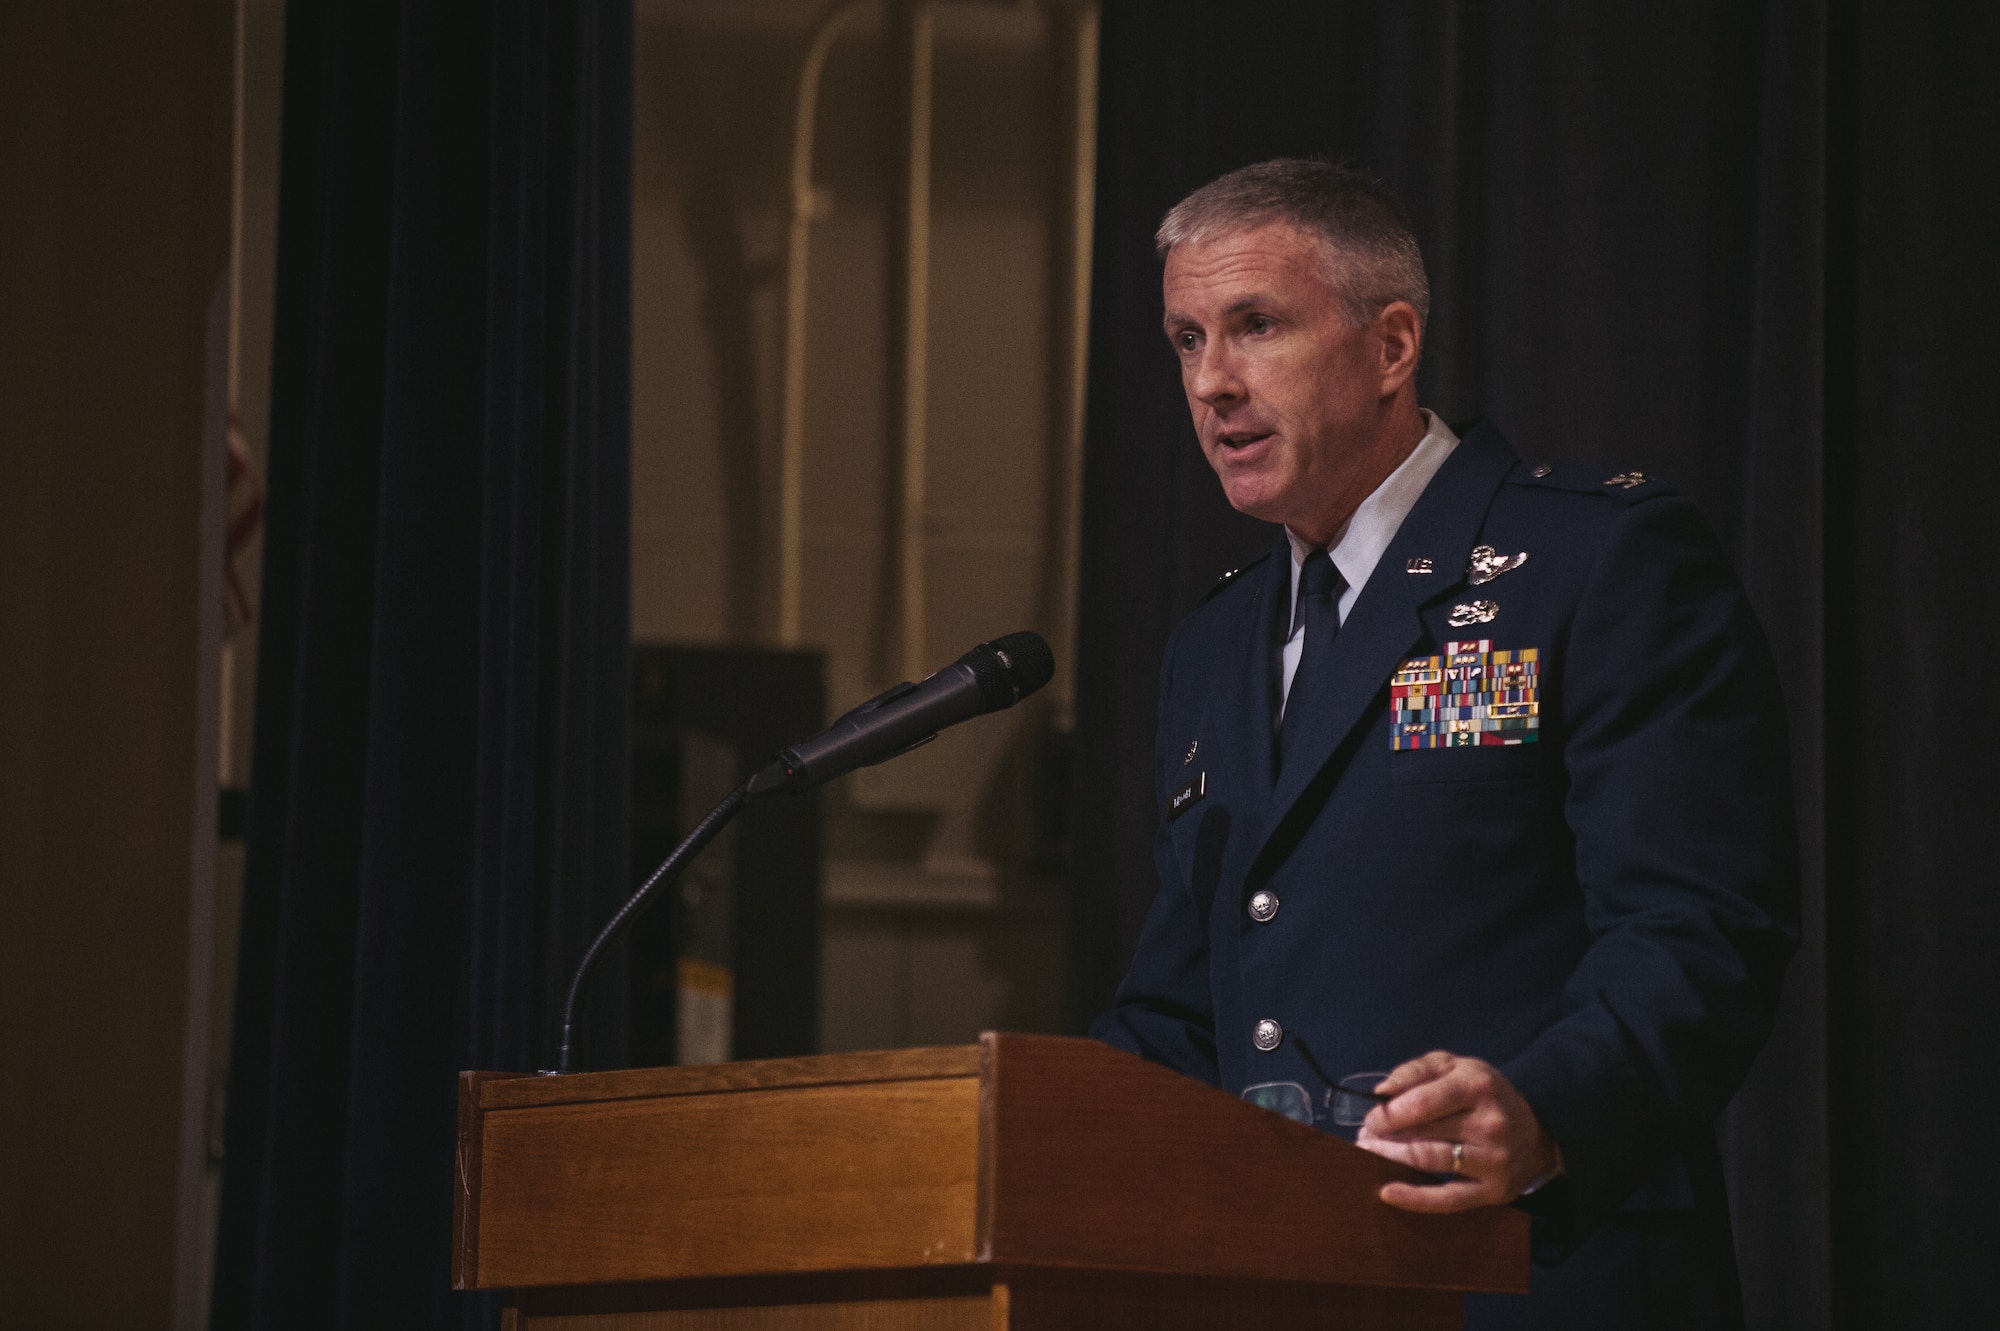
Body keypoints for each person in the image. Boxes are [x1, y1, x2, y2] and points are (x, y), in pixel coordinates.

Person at [1090, 159, 1799, 1329]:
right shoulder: (1210, 644)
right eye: (1184, 339)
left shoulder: (1591, 561)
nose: (1211, 382)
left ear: (1390, 345)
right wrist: (995, 1115)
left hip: (1526, 1271)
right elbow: (1181, 1006)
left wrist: (1544, 1109)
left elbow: (1701, 923)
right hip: (1276, 1283)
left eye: (1254, 326)